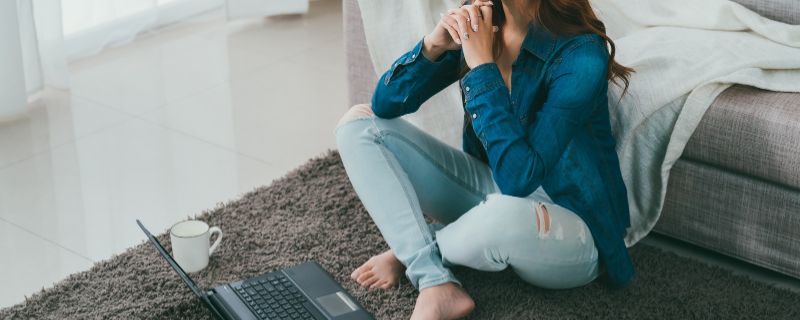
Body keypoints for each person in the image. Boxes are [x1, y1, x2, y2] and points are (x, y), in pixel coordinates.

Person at [334, 0, 635, 319]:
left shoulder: (582, 55)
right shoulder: (484, 16)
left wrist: (480, 67)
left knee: (499, 216)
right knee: (358, 126)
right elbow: (385, 104)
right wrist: (433, 45)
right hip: (496, 190)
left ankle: (414, 251)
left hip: (575, 226)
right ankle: (434, 280)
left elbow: (519, 178)